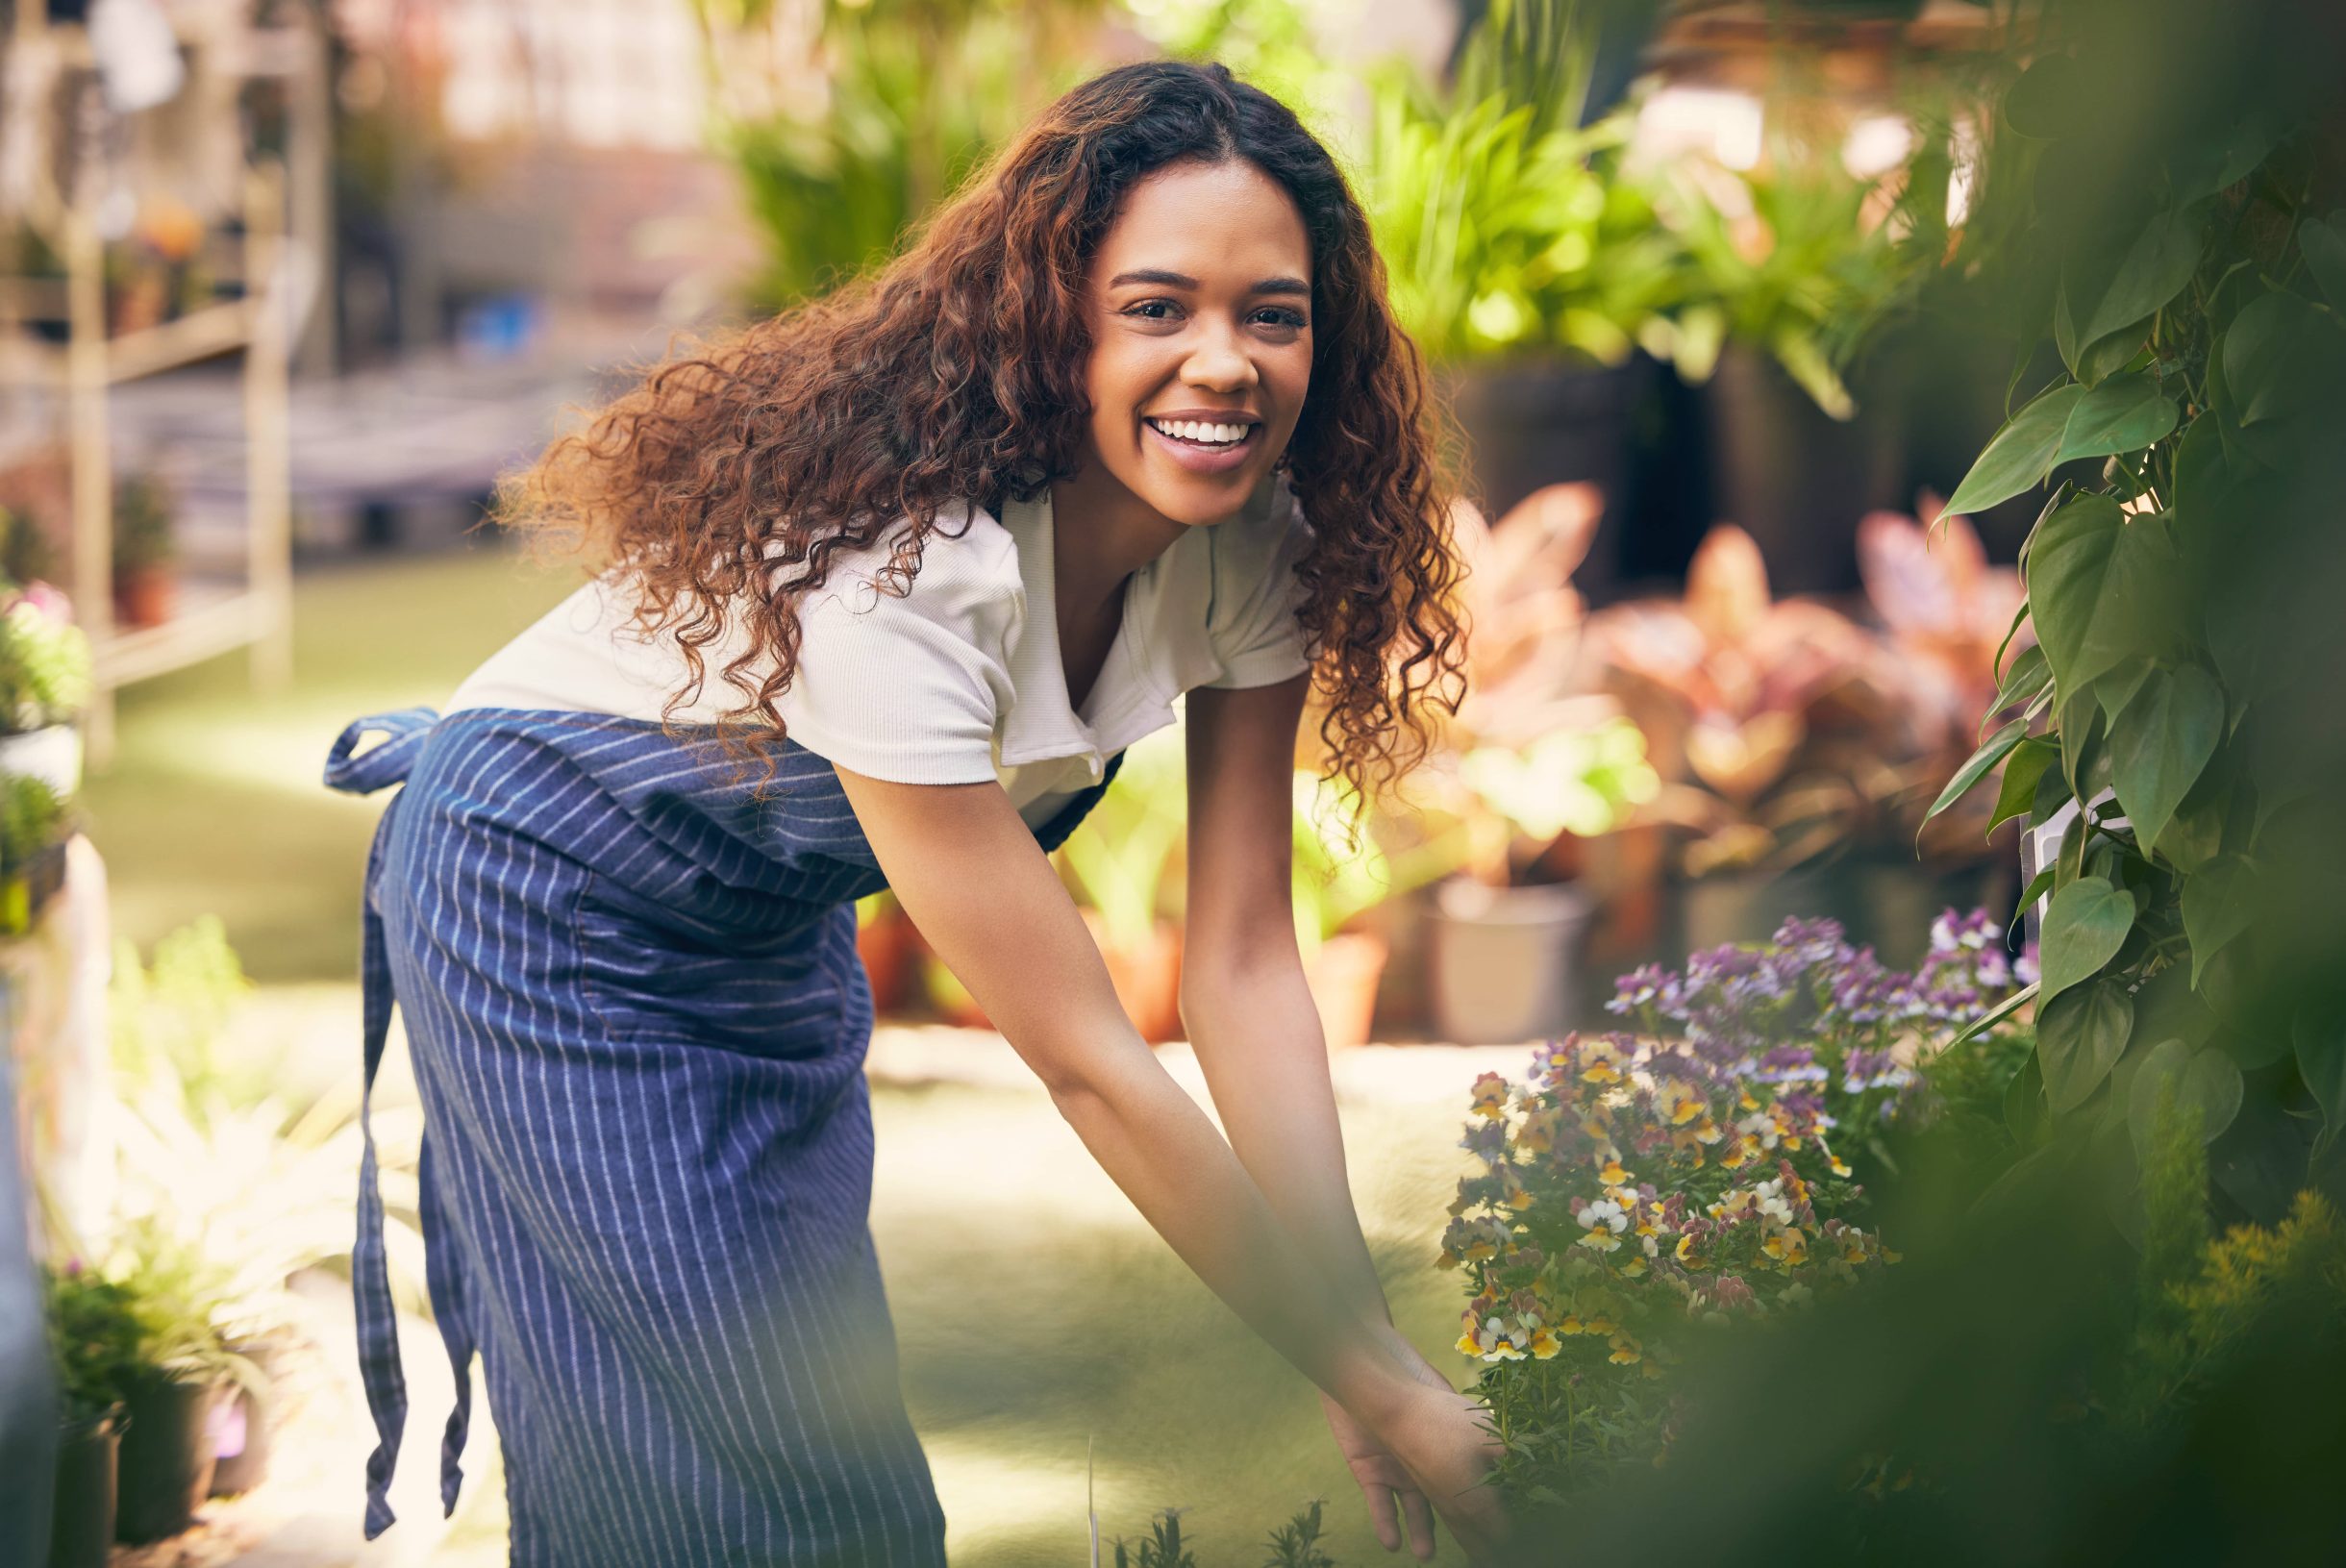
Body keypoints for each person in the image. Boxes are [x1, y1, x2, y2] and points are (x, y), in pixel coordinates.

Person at [326, 60, 1508, 1566]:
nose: (1223, 362)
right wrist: (1375, 1384)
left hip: (763, 920)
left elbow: (1246, 965)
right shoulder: (909, 575)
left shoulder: (1254, 544)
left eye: (1269, 313)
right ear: (1056, 323)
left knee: (825, 1455)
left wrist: (1364, 1351)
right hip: (540, 899)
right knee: (734, 1448)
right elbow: (1089, 1062)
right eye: (1157, 307)